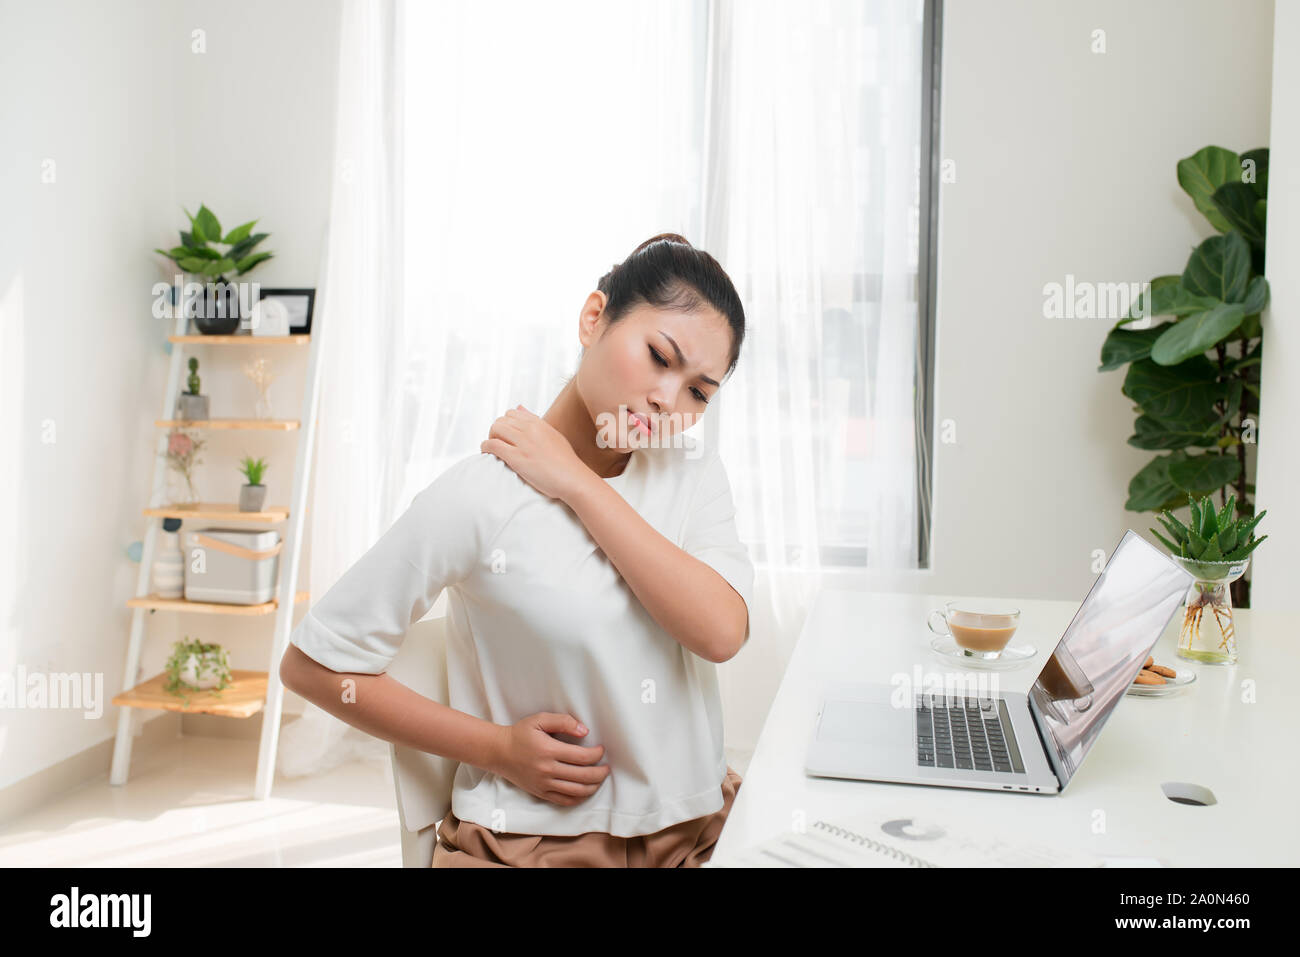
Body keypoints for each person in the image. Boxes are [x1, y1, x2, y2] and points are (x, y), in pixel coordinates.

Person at [280, 233, 753, 867]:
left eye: (699, 391)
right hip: (532, 846)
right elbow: (312, 666)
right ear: (594, 319)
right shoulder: (481, 496)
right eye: (659, 356)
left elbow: (720, 633)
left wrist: (577, 483)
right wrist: (497, 748)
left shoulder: (689, 471)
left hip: (700, 833)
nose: (668, 400)